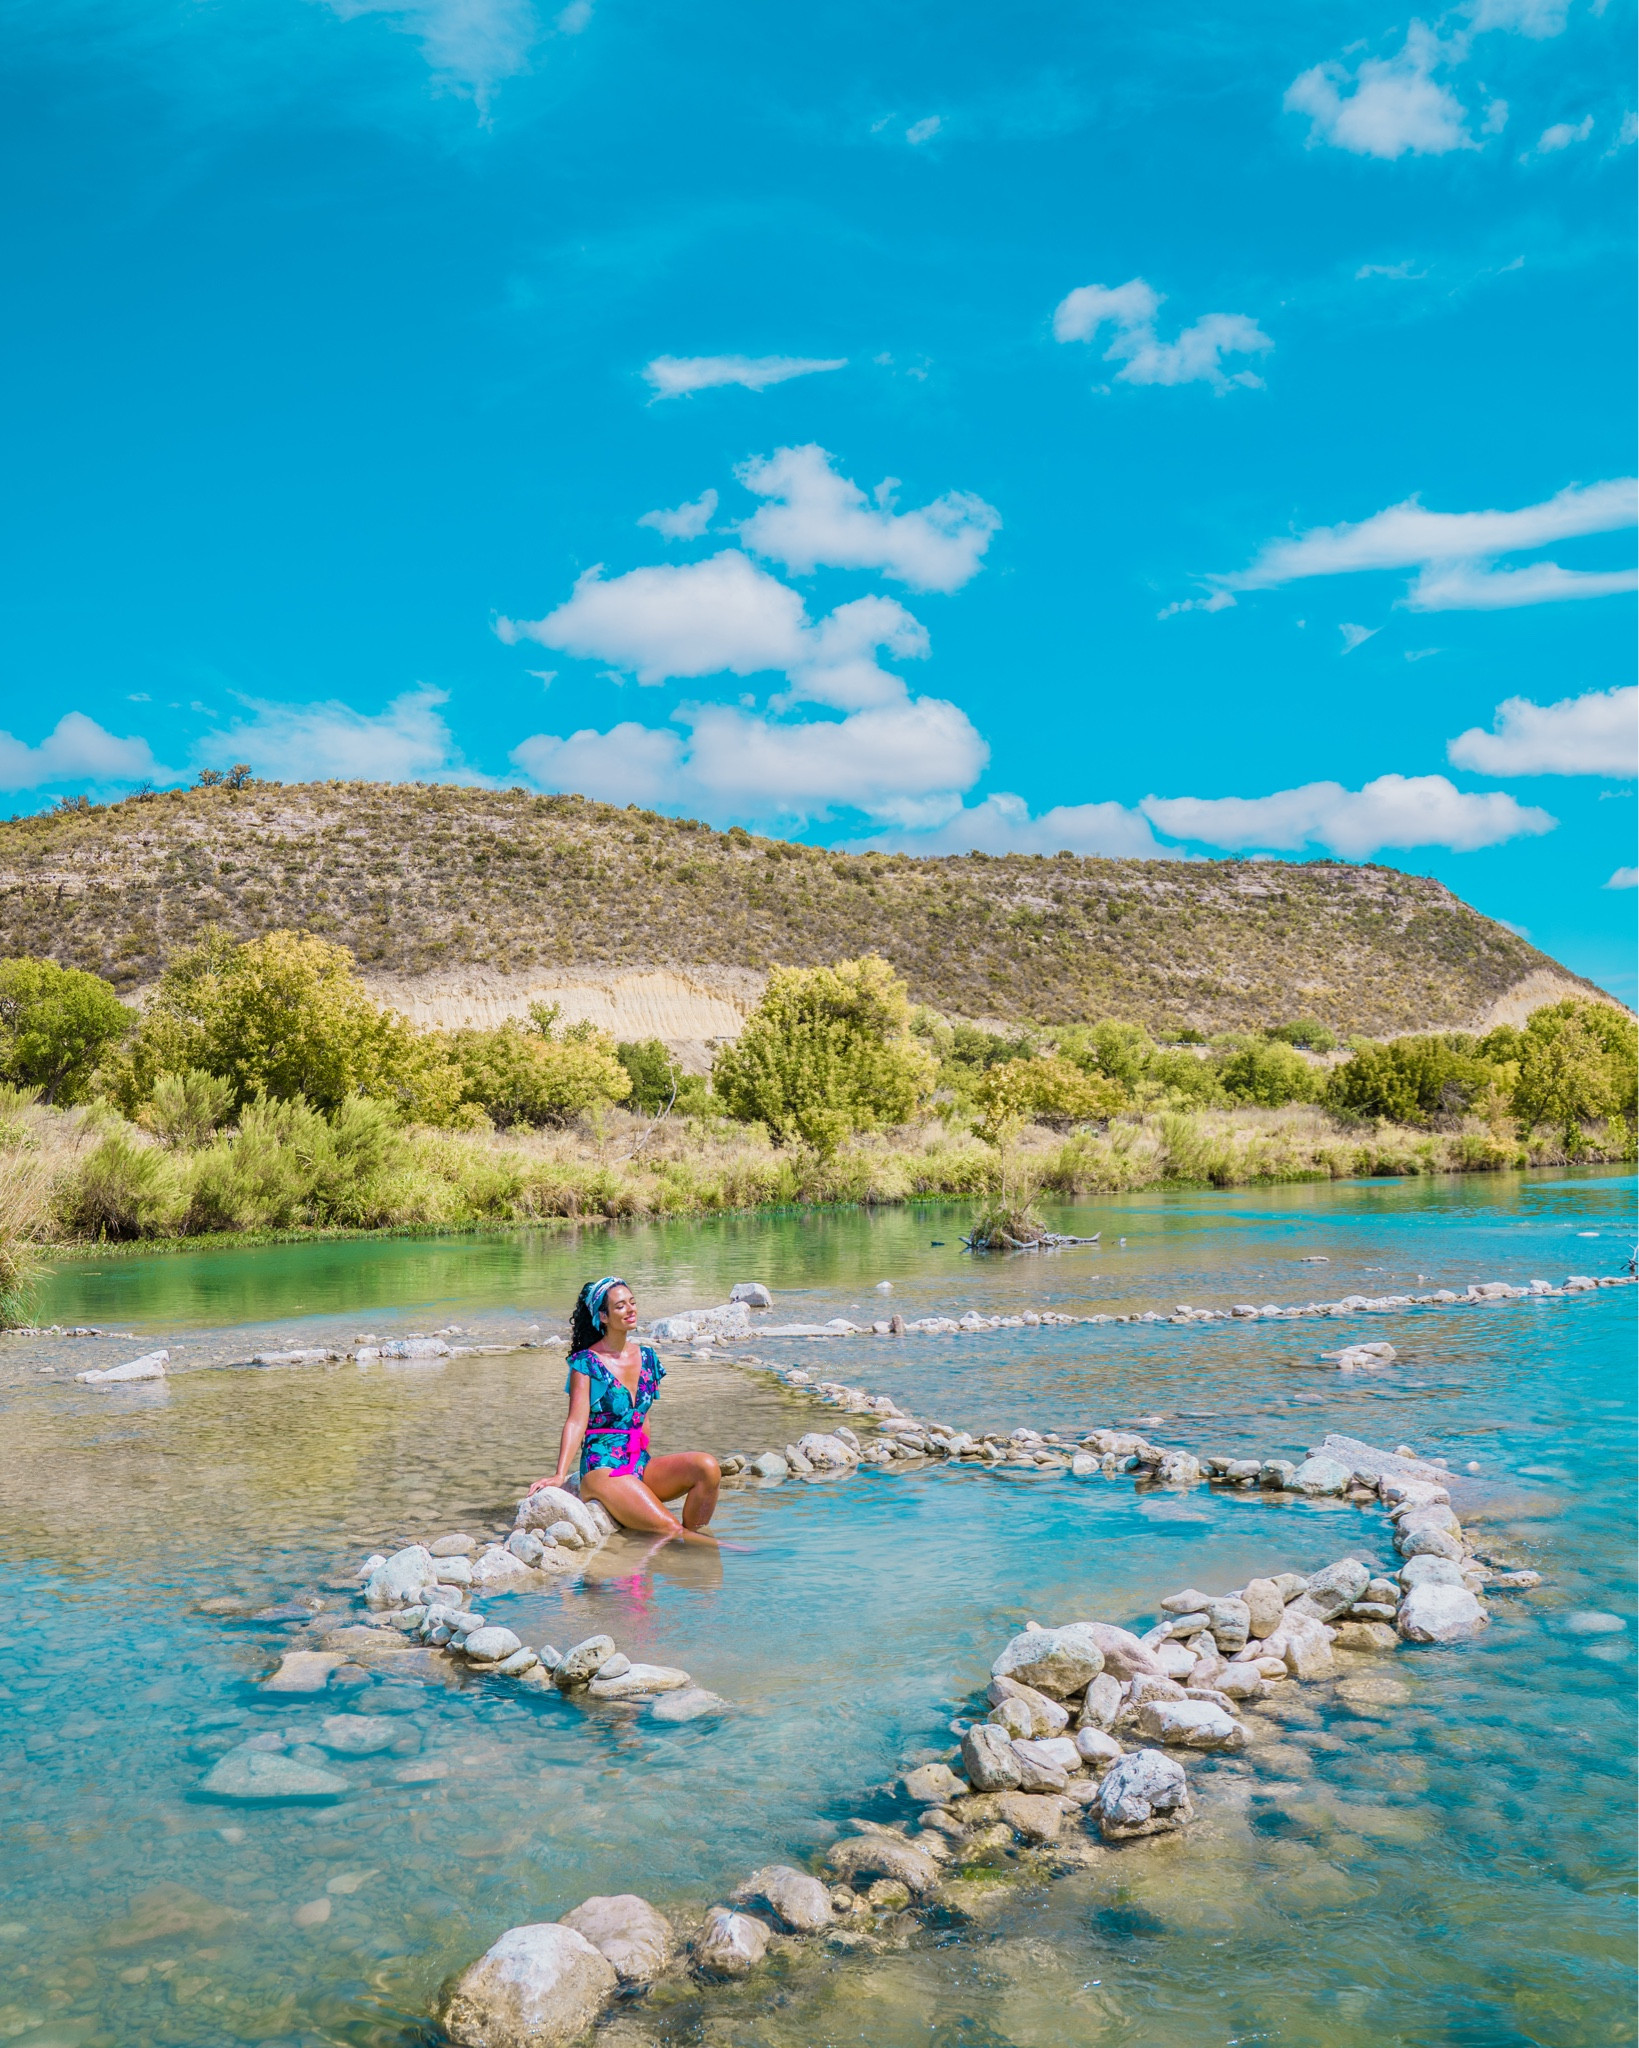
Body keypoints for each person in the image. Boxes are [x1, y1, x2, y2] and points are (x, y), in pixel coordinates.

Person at [529, 1275, 722, 1542]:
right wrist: (560, 1474)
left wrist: (643, 1466)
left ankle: (695, 1539)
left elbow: (643, 1418)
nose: (631, 1310)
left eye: (632, 1302)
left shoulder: (647, 1357)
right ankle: (718, 1549)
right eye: (620, 1306)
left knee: (708, 1467)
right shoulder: (586, 1363)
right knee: (671, 1529)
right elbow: (575, 1421)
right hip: (602, 1467)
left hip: (637, 1461)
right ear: (603, 1317)